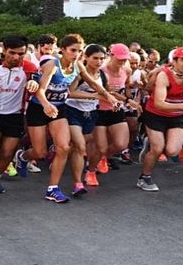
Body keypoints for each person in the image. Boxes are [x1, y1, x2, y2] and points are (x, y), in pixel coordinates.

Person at [14, 34, 118, 202]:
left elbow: (93, 83)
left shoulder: (77, 65)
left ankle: (52, 189)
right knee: (40, 152)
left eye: (79, 51)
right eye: (72, 50)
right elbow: (40, 90)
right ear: (62, 50)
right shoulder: (52, 65)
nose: (76, 54)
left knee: (64, 147)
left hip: (59, 109)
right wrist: (47, 105)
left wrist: (108, 96)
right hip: (39, 107)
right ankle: (22, 157)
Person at [0, 35, 38, 193]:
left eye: (21, 53)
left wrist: (33, 83)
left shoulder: (29, 67)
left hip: (15, 116)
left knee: (8, 152)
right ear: (4, 50)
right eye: (12, 53)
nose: (16, 57)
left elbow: (36, 81)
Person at [138, 47, 183, 192]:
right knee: (157, 148)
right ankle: (144, 177)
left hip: (177, 115)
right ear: (174, 61)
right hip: (156, 114)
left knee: (173, 151)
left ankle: (151, 143)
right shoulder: (164, 75)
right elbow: (159, 103)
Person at [93, 43, 141, 176]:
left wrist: (131, 93)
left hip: (116, 109)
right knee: (101, 146)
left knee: (121, 144)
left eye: (124, 59)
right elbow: (107, 92)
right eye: (119, 58)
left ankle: (104, 157)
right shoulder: (101, 70)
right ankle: (94, 163)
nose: (122, 61)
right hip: (100, 109)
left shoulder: (127, 70)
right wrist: (126, 100)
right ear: (111, 55)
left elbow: (126, 85)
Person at [64, 44, 108, 188]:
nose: (99, 62)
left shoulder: (101, 74)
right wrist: (93, 95)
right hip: (73, 110)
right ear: (86, 57)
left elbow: (104, 93)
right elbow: (70, 92)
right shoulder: (79, 73)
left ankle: (60, 153)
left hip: (91, 113)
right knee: (81, 147)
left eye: (102, 59)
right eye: (95, 58)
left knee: (85, 142)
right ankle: (78, 183)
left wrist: (115, 101)